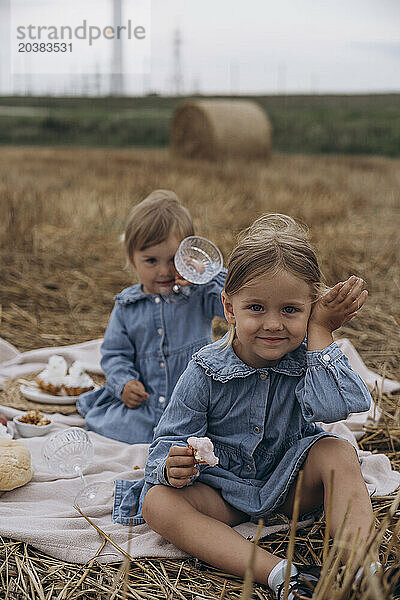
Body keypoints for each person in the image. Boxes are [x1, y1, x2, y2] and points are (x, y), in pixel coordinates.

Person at [112, 213, 394, 599]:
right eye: (256, 308)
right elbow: (169, 439)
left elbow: (339, 407)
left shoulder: (308, 358)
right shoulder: (205, 371)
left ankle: (364, 568)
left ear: (311, 309)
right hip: (222, 492)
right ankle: (285, 575)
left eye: (291, 310)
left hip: (289, 483)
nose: (273, 324)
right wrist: (172, 465)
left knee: (337, 449)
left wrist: (321, 334)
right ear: (230, 308)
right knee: (157, 502)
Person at [77, 190, 226, 444]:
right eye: (151, 261)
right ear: (132, 260)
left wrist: (208, 276)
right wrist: (125, 384)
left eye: (173, 259)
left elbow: (234, 306)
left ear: (186, 256)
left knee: (216, 432)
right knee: (114, 428)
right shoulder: (127, 306)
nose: (164, 270)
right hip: (145, 405)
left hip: (195, 403)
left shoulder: (199, 294)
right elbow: (115, 354)